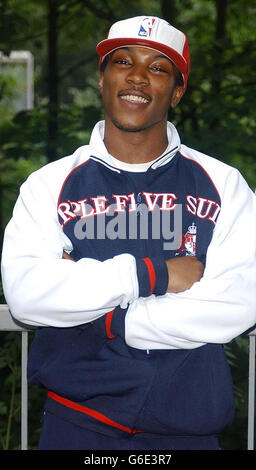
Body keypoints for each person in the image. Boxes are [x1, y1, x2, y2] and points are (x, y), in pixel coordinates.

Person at [1, 16, 256, 451]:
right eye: (122, 61)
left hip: (188, 428)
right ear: (102, 79)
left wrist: (106, 317)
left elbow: (242, 298)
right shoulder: (49, 184)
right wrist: (153, 276)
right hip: (77, 423)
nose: (137, 75)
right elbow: (27, 293)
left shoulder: (222, 183)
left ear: (176, 92)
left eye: (158, 67)